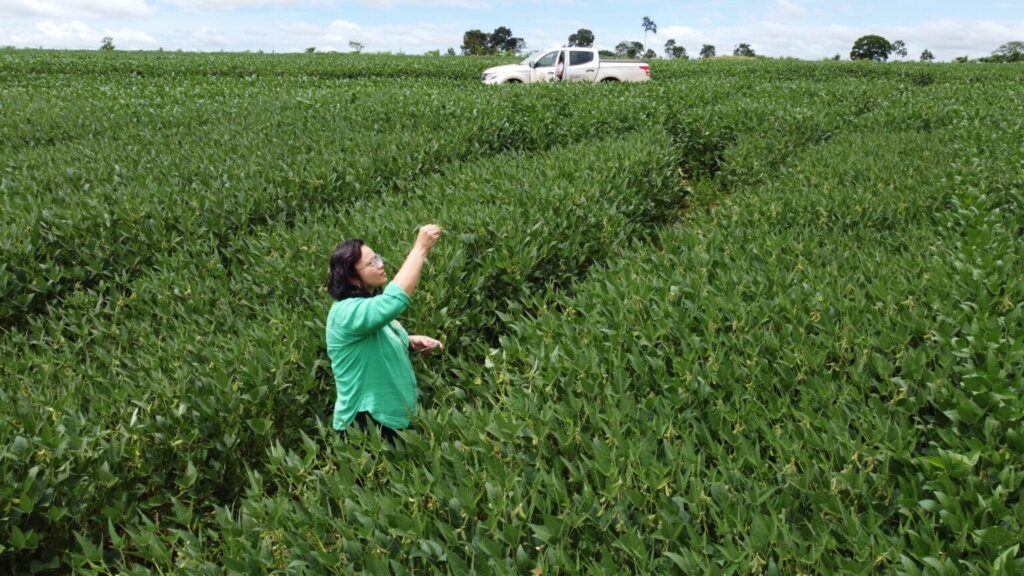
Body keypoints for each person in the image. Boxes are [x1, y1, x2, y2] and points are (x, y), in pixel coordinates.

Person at [325, 224, 443, 440]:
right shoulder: (345, 312)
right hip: (365, 423)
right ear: (352, 277)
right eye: (371, 263)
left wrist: (408, 342)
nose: (380, 264)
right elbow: (393, 301)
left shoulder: (365, 303)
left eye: (377, 257)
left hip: (391, 418)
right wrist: (420, 249)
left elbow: (373, 338)